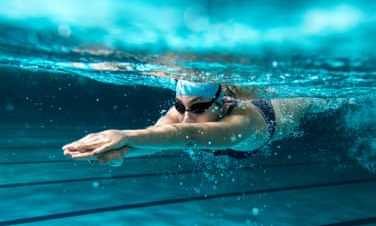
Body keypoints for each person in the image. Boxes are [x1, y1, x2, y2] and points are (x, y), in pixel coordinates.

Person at [63, 79, 327, 166]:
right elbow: (158, 137)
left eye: (199, 108)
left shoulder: (244, 122)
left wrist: (121, 135)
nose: (186, 117)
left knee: (313, 100)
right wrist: (121, 152)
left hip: (277, 113)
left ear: (221, 104)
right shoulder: (183, 114)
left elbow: (191, 134)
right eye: (180, 106)